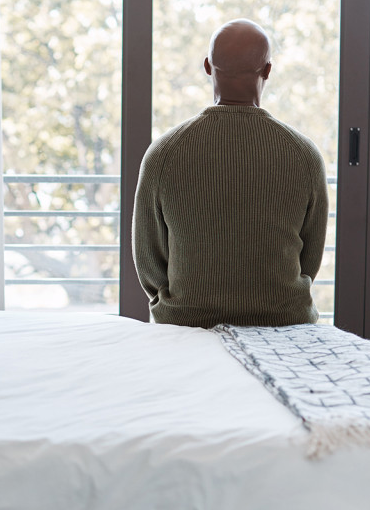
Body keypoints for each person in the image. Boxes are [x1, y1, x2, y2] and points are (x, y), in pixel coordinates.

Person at [132, 18, 328, 328]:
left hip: (188, 322)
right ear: (267, 71)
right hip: (284, 322)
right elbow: (309, 258)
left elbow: (150, 261)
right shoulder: (304, 155)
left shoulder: (163, 153)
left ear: (208, 66)